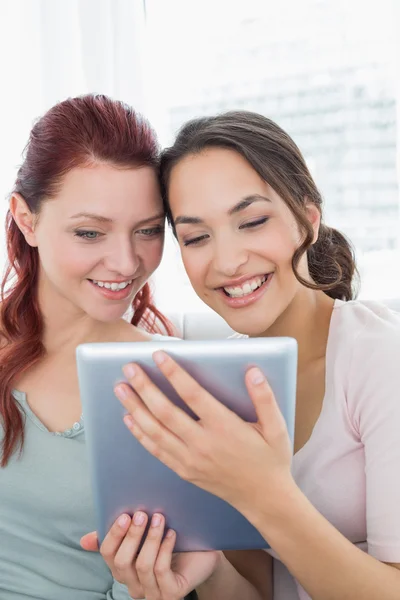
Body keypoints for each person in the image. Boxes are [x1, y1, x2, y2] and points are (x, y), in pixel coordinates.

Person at [82, 111, 400, 600]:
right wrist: (199, 570)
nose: (228, 262)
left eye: (251, 221)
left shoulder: (380, 357)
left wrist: (260, 491)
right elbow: (261, 591)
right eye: (196, 237)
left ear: (307, 221)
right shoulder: (216, 382)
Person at [0, 93, 175, 600]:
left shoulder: (167, 380)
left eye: (147, 231)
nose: (125, 263)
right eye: (90, 232)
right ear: (26, 220)